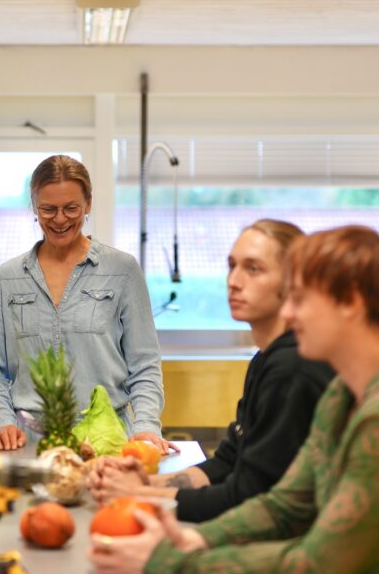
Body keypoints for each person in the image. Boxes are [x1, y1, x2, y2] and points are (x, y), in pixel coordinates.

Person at [89, 225, 379, 574]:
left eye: (301, 300)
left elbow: (312, 569)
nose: (287, 312)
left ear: (349, 302)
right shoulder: (338, 402)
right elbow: (279, 505)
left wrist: (168, 563)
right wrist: (194, 535)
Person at [89, 219, 334, 523]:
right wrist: (144, 483)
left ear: (293, 281)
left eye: (253, 269)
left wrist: (139, 495)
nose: (233, 280)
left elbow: (246, 497)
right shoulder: (265, 359)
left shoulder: (292, 369)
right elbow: (228, 462)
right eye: (232, 266)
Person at [0, 154, 167, 453]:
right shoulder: (9, 278)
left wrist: (145, 427)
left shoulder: (122, 270)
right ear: (34, 207)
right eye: (48, 209)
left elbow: (144, 366)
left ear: (88, 204)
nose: (61, 219)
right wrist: (1, 422)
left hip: (107, 439)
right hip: (30, 442)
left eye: (71, 208)